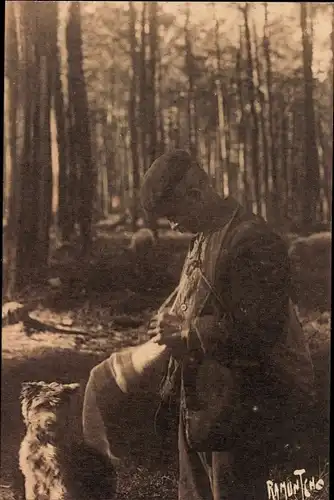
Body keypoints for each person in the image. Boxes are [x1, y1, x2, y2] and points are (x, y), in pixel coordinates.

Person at [82, 150, 315, 500]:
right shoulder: (206, 235)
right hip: (208, 399)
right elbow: (199, 297)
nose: (173, 226)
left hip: (246, 404)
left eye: (174, 215)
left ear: (195, 193)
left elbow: (259, 329)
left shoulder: (252, 240)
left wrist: (190, 334)